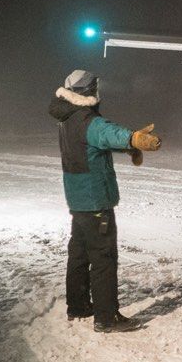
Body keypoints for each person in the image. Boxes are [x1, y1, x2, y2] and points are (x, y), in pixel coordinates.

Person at [48, 70, 161, 333]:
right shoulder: (88, 120)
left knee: (79, 254)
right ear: (89, 92)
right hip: (96, 199)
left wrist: (128, 147)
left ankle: (78, 306)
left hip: (78, 199)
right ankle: (106, 317)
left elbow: (94, 143)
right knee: (103, 258)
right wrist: (134, 139)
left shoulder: (67, 119)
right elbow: (106, 133)